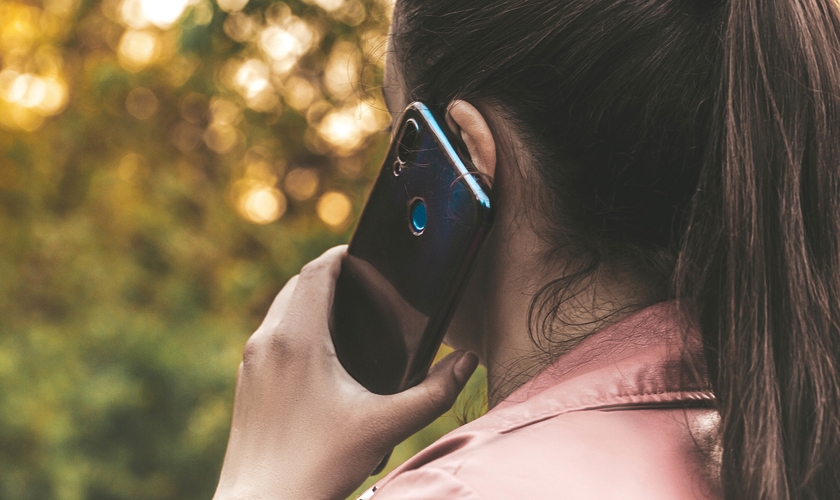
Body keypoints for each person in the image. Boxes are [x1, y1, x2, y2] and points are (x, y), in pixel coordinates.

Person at [212, 0, 840, 499]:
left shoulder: (457, 492)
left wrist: (262, 484)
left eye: (395, 128)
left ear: (468, 153)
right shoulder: (785, 437)